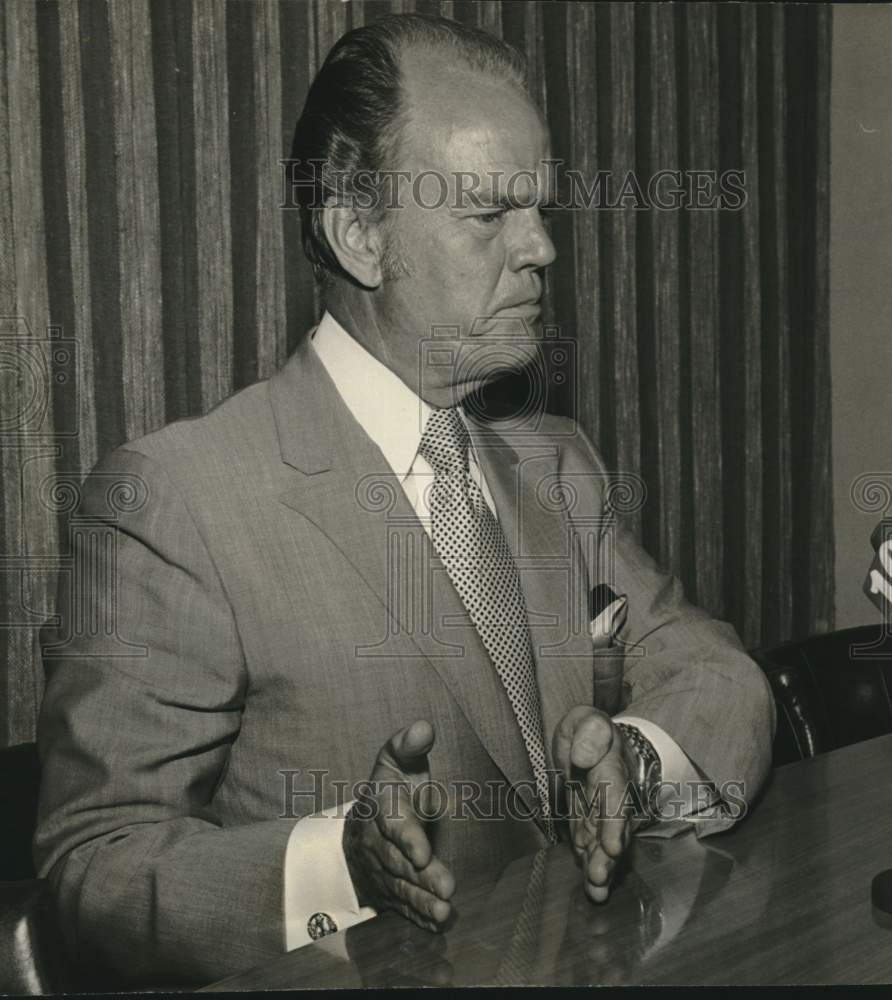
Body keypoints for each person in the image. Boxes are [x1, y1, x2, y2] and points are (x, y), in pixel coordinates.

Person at [34, 13, 774, 988]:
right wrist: (338, 864)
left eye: (541, 207)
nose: (543, 247)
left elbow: (722, 677)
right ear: (359, 235)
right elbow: (92, 870)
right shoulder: (178, 500)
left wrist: (633, 767)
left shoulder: (558, 465)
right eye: (490, 214)